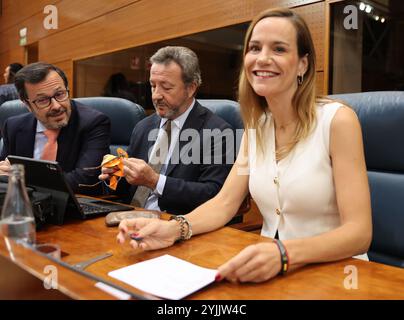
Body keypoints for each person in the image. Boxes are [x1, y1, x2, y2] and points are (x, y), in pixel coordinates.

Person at [115, 8, 372, 283]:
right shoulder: (256, 127)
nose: (262, 58)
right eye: (254, 47)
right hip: (272, 270)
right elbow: (224, 203)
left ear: (303, 64)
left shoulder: (338, 120)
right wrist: (174, 228)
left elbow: (359, 233)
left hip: (337, 274)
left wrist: (284, 253)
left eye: (279, 49)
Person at [99, 46, 233, 215]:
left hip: (178, 225)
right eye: (153, 86)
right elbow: (126, 191)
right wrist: (115, 175)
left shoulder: (218, 132)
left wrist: (155, 181)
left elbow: (214, 194)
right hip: (127, 218)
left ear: (191, 88)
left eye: (166, 87)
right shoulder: (143, 127)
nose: (156, 95)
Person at [0, 62, 111, 194]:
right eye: (43, 100)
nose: (57, 106)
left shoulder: (94, 123)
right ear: (27, 104)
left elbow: (86, 180)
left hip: (75, 207)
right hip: (24, 206)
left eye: (60, 94)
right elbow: (4, 172)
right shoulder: (13, 126)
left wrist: (21, 178)